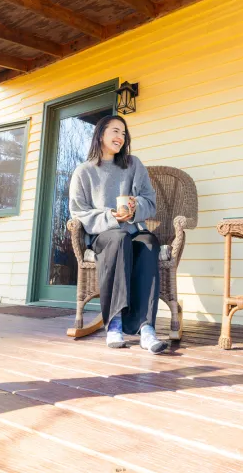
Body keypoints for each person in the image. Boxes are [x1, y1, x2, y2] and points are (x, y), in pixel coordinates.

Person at [69, 115, 167, 354]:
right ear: (100, 134)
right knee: (118, 238)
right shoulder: (84, 171)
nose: (120, 137)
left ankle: (146, 328)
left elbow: (150, 203)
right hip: (104, 235)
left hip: (133, 229)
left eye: (124, 133)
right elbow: (78, 212)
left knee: (149, 242)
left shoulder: (134, 164)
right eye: (115, 131)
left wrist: (135, 208)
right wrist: (111, 216)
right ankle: (115, 323)